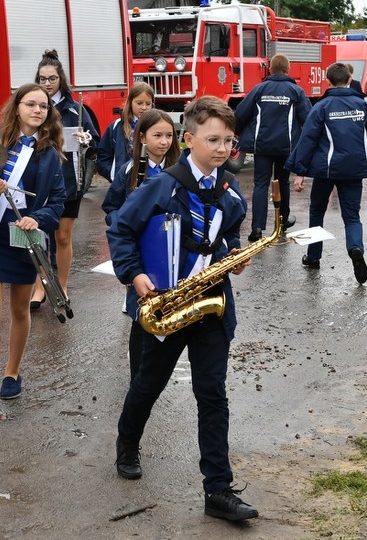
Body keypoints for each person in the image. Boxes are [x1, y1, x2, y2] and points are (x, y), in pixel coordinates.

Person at [108, 96, 258, 522]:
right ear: (188, 139)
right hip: (167, 306)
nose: (223, 148)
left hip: (212, 307)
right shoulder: (160, 186)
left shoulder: (230, 191)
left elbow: (229, 233)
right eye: (213, 139)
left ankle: (218, 490)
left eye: (229, 140)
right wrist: (134, 275)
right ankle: (127, 443)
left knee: (212, 395)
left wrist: (235, 252)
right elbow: (120, 230)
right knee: (147, 385)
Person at [0, 83, 67, 419]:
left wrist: (37, 219)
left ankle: (12, 372)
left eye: (43, 106)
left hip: (24, 238)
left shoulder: (51, 155)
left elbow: (58, 203)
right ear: (16, 107)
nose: (38, 110)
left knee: (20, 310)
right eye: (30, 104)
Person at [286, 62, 367, 284]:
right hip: (354, 170)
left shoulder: (321, 106)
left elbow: (307, 140)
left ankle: (313, 257)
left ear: (327, 81)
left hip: (325, 170)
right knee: (352, 216)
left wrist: (299, 171)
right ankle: (355, 248)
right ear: (350, 80)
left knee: (317, 212)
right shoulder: (362, 105)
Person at [101, 108, 181, 380]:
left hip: (166, 246)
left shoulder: (179, 171)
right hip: (138, 245)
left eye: (169, 135)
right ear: (143, 137)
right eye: (157, 135)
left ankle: (161, 365)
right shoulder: (130, 169)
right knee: (140, 307)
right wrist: (120, 219)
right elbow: (111, 205)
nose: (164, 141)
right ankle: (138, 373)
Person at [29, 49, 100, 310]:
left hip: (69, 181)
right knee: (38, 236)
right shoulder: (31, 106)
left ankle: (62, 285)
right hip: (37, 182)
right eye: (42, 79)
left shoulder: (75, 109)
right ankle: (40, 287)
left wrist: (86, 140)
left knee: (62, 237)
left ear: (61, 80)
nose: (47, 84)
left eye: (52, 79)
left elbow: (95, 144)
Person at [235, 53, 309, 242]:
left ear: (270, 69)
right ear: (288, 69)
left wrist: (235, 132)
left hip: (262, 146)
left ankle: (257, 228)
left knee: (260, 184)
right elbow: (308, 118)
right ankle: (283, 221)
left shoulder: (259, 89)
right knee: (282, 182)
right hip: (287, 146)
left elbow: (242, 113)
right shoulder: (296, 91)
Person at [96, 82, 155, 182]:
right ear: (130, 102)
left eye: (148, 104)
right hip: (123, 185)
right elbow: (103, 156)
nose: (144, 107)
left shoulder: (157, 126)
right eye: (139, 103)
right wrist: (113, 174)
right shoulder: (117, 126)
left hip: (151, 183)